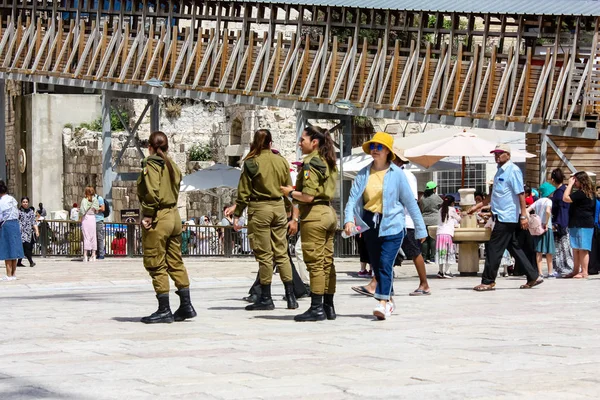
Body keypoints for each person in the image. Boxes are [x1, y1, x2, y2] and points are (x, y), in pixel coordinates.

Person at [344, 132, 427, 320]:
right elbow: (352, 200)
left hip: (393, 224)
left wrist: (420, 229)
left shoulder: (397, 174)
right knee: (376, 264)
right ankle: (388, 300)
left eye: (379, 147)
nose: (375, 150)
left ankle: (381, 302)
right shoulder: (364, 173)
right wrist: (349, 220)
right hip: (370, 224)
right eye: (373, 146)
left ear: (388, 151)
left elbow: (410, 203)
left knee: (385, 263)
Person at [226, 129, 298, 312]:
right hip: (279, 208)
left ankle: (266, 297)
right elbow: (288, 189)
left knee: (265, 255)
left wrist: (237, 215)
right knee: (281, 253)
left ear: (255, 143)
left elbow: (243, 193)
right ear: (270, 143)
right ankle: (291, 297)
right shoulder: (281, 161)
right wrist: (291, 213)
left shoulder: (251, 163)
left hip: (260, 209)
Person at [137, 131, 196, 324]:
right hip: (174, 215)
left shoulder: (151, 164)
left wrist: (148, 214)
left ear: (150, 148)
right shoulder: (173, 166)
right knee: (175, 260)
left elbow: (152, 192)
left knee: (156, 262)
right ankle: (186, 305)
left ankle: (164, 309)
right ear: (168, 147)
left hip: (159, 217)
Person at [281, 125, 339, 322]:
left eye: (302, 140)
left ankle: (316, 308)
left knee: (314, 263)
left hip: (314, 215)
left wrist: (288, 192)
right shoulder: (329, 161)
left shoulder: (311, 163)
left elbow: (307, 196)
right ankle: (328, 306)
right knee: (327, 262)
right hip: (329, 212)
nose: (300, 143)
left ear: (314, 142)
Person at [471, 144, 542, 291]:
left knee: (493, 249)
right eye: (495, 153)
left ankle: (488, 281)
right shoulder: (498, 172)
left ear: (508, 155)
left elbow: (521, 194)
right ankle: (533, 275)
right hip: (500, 216)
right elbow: (493, 195)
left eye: (500, 153)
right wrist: (477, 207)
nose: (497, 156)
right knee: (515, 248)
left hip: (507, 217)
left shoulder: (513, 170)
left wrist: (523, 215)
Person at [563, 171, 596, 279]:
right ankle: (576, 270)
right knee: (576, 248)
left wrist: (570, 185)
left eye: (576, 181)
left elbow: (566, 198)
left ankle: (584, 271)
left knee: (583, 248)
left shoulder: (583, 193)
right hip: (576, 222)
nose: (575, 182)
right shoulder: (586, 193)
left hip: (584, 223)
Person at [527, 182, 556, 278]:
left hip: (537, 228)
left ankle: (540, 272)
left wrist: (531, 220)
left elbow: (527, 210)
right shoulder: (549, 201)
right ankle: (550, 272)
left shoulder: (537, 201)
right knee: (549, 251)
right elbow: (548, 211)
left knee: (538, 251)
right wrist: (547, 223)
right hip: (547, 228)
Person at [550, 168, 573, 276]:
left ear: (553, 179)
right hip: (566, 220)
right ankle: (567, 266)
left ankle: (562, 267)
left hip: (560, 221)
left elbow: (560, 208)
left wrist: (557, 223)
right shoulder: (565, 189)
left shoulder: (559, 193)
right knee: (566, 245)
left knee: (560, 246)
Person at [0, 180, 24, 281]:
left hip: (7, 225)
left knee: (7, 249)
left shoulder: (1, 201)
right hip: (15, 224)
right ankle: (13, 274)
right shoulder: (12, 199)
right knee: (13, 249)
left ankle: (8, 275)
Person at [435, 195, 461, 278]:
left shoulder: (440, 210)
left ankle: (440, 271)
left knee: (441, 253)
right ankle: (447, 271)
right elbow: (459, 219)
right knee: (449, 253)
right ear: (452, 203)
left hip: (439, 234)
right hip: (447, 234)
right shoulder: (452, 209)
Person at [419, 181, 443, 263]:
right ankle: (433, 257)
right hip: (434, 219)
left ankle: (425, 257)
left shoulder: (422, 198)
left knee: (424, 240)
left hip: (424, 219)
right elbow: (442, 204)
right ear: (433, 189)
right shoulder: (436, 198)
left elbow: (420, 207)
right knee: (433, 239)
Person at [17, 197, 39, 268]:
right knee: (26, 246)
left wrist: (36, 231)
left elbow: (33, 222)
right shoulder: (18, 211)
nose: (25, 203)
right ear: (21, 203)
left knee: (24, 247)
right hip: (20, 232)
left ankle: (19, 262)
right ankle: (31, 262)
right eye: (23, 202)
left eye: (26, 202)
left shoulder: (31, 211)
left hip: (28, 232)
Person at [80, 187, 99, 262]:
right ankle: (93, 255)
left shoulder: (84, 200)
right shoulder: (95, 200)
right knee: (93, 236)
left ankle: (85, 255)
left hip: (86, 218)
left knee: (86, 236)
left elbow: (82, 211)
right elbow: (97, 211)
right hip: (92, 218)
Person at [95, 192, 106, 260]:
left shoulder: (99, 198)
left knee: (100, 237)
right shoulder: (88, 199)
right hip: (91, 220)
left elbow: (103, 208)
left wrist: (96, 208)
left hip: (98, 220)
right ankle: (95, 253)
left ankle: (101, 254)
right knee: (94, 238)